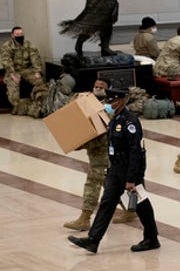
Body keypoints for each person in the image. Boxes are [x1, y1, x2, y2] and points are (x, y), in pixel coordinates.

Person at [67, 87, 160, 254]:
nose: (109, 104)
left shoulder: (130, 122)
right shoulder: (114, 119)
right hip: (115, 169)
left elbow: (135, 151)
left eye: (113, 101)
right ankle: (93, 240)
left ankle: (151, 238)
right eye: (109, 100)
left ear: (122, 100)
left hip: (129, 170)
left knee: (141, 204)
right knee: (107, 203)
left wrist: (131, 178)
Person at [63, 79, 136, 231]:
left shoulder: (108, 110)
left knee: (93, 184)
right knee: (115, 185)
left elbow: (100, 137)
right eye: (95, 86)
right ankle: (132, 210)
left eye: (101, 87)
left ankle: (84, 218)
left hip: (103, 156)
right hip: (104, 156)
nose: (97, 89)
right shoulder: (89, 103)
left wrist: (78, 144)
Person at [1, 26, 45, 115]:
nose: (20, 36)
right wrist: (12, 73)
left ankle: (40, 102)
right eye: (17, 34)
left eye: (21, 34)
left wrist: (38, 71)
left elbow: (35, 58)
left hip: (26, 70)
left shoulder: (28, 45)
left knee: (39, 80)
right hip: (12, 70)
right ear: (12, 36)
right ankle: (17, 106)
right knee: (13, 84)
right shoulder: (7, 46)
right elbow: (6, 60)